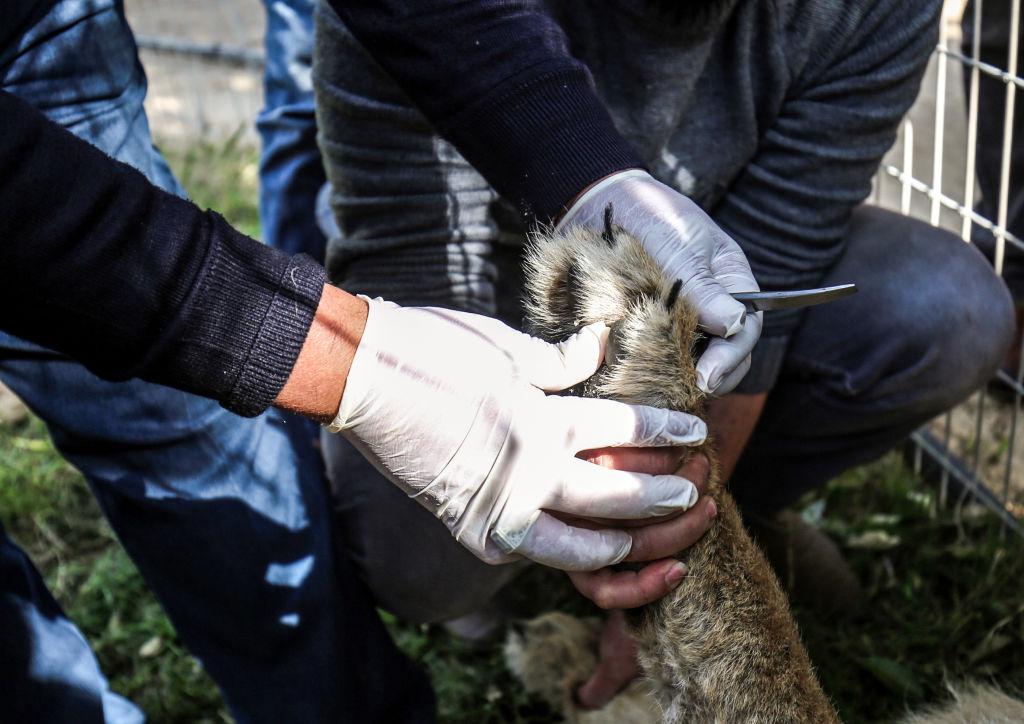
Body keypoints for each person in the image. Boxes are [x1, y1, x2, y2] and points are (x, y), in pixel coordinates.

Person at [311, 0, 1016, 709]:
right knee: (422, 572)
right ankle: (532, 549)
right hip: (493, 300)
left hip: (709, 265)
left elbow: (778, 254)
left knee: (945, 307)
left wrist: (670, 563)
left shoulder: (875, 11)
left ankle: (731, 508)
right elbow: (413, 249)